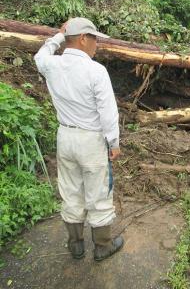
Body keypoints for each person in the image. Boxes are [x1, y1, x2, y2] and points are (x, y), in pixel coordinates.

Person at [34, 17, 124, 261]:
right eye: (94, 38)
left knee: (70, 189)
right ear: (83, 39)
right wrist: (113, 143)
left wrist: (58, 36)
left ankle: (75, 244)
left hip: (65, 136)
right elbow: (107, 112)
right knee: (98, 193)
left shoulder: (51, 64)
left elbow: (39, 56)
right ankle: (103, 246)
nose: (97, 44)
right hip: (91, 140)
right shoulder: (96, 70)